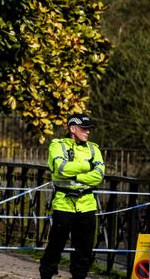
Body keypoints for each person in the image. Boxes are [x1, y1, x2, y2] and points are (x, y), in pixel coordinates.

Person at [39, 113, 105, 279]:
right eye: (84, 128)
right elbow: (60, 169)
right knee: (55, 246)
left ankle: (79, 276)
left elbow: (99, 175)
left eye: (89, 129)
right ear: (72, 129)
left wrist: (75, 176)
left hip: (87, 204)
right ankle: (46, 275)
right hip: (64, 203)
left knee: (85, 249)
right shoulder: (57, 145)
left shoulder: (94, 148)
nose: (88, 132)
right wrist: (85, 166)